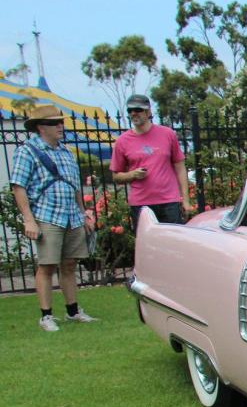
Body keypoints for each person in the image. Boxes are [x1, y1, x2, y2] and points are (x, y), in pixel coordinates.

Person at [10, 104, 98, 332]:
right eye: (54, 123)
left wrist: (84, 213)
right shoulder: (28, 151)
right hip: (47, 216)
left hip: (71, 216)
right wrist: (29, 219)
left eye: (61, 122)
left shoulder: (66, 152)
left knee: (69, 264)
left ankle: (73, 311)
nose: (60, 126)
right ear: (41, 127)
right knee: (47, 266)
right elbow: (18, 187)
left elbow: (75, 186)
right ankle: (46, 316)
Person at [110, 94, 194, 232]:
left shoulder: (168, 134)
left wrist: (185, 200)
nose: (133, 113)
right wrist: (132, 174)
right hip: (141, 206)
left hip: (169, 202)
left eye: (138, 109)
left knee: (173, 246)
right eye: (130, 111)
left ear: (148, 112)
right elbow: (116, 177)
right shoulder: (122, 141)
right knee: (148, 248)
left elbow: (180, 167)